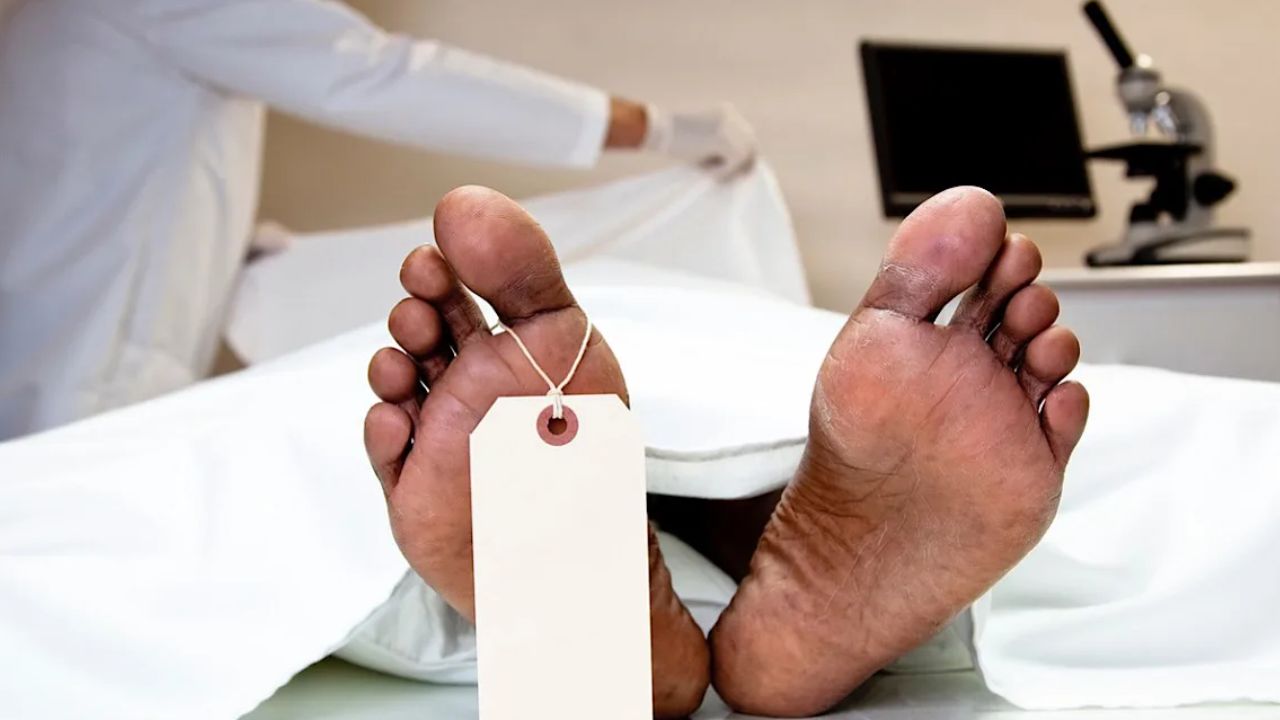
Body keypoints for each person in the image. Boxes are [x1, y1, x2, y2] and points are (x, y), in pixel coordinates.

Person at [362, 185, 1089, 717]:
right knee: (727, 421)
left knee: (543, 447)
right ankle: (769, 564)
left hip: (532, 427)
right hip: (751, 386)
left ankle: (687, 613)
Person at [0, 0, 755, 441]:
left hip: (51, 347)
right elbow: (375, 74)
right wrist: (653, 128)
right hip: (79, 375)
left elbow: (113, 169)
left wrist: (231, 247)